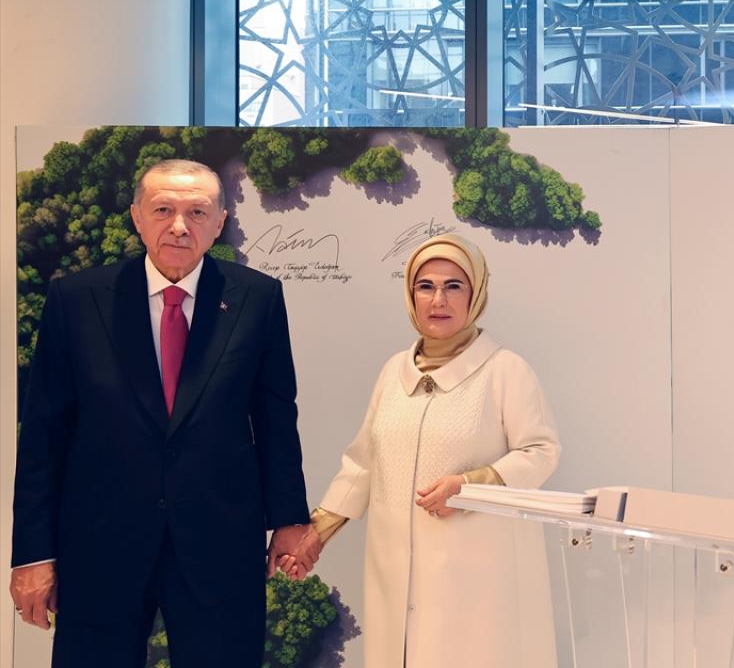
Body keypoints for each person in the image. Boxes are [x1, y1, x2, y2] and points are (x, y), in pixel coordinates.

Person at [9, 159, 317, 667]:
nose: (179, 226)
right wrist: (33, 554)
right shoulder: (76, 300)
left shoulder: (256, 298)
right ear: (136, 216)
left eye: (197, 212)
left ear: (219, 222)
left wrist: (288, 519)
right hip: (101, 543)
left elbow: (276, 419)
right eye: (162, 210)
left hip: (219, 542)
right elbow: (44, 437)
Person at [280, 233, 560, 668]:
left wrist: (469, 486)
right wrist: (315, 535)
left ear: (476, 293)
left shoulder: (506, 370)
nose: (438, 300)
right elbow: (363, 463)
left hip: (478, 573)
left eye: (454, 286)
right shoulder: (394, 371)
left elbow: (540, 451)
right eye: (425, 286)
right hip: (394, 570)